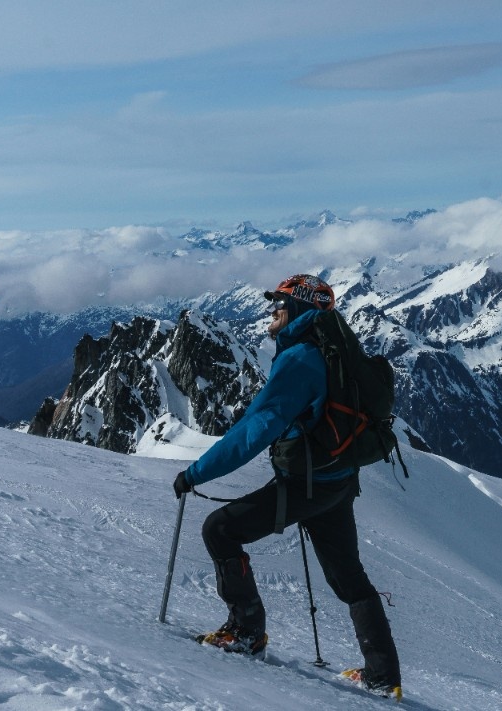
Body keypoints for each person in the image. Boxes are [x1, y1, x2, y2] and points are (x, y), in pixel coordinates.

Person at [172, 274, 401, 697]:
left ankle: (245, 632)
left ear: (299, 307)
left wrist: (195, 474)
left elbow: (254, 431)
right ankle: (383, 675)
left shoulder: (300, 360)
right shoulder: (330, 351)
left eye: (279, 302)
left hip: (306, 486)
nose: (272, 309)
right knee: (349, 576)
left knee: (220, 529)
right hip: (338, 482)